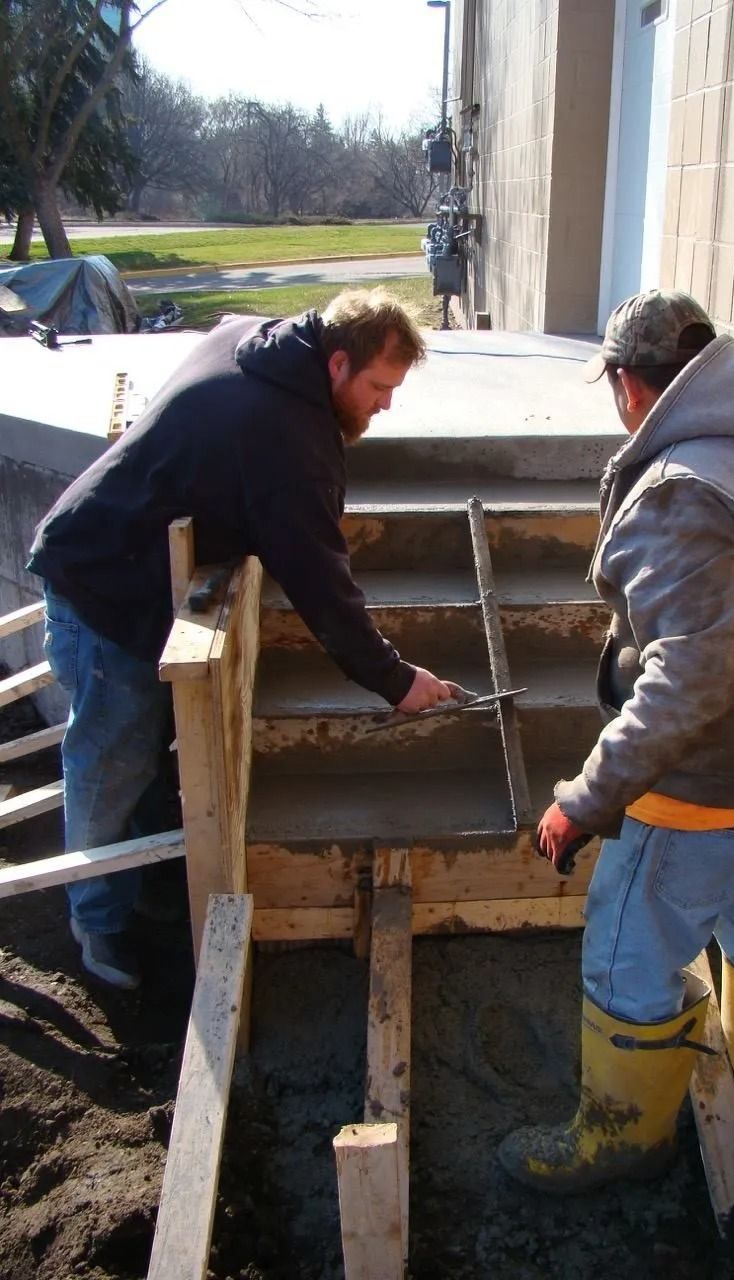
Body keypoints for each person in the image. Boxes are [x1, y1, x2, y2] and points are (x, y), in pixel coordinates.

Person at [498, 289, 734, 1192]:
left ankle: (622, 1140)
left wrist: (585, 800)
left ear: (629, 384)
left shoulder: (686, 488)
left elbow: (689, 681)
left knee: (626, 956)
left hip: (709, 796)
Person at [28, 288, 458, 991]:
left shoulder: (259, 340)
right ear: (338, 364)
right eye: (379, 387)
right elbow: (321, 582)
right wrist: (394, 679)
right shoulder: (286, 437)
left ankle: (145, 890)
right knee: (110, 762)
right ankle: (99, 923)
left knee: (140, 752)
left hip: (129, 564)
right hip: (101, 585)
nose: (385, 405)